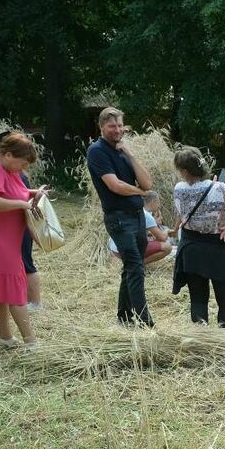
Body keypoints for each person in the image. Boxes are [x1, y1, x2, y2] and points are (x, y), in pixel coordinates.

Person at [0, 133, 48, 350]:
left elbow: (15, 191)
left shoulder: (3, 166)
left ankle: (5, 338)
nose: (22, 168)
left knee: (2, 285)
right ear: (9, 154)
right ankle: (31, 342)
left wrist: (34, 193)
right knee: (13, 283)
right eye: (22, 163)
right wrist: (24, 205)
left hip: (4, 233)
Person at [171, 148, 225, 327]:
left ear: (184, 171)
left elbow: (182, 213)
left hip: (191, 248)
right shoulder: (220, 188)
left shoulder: (178, 188)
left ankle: (201, 337)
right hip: (217, 247)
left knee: (198, 298)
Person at [87, 107, 154, 326]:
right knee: (135, 266)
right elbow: (115, 186)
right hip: (118, 218)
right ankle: (144, 322)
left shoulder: (122, 152)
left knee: (132, 267)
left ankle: (123, 318)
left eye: (119, 125)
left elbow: (147, 183)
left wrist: (131, 156)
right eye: (112, 126)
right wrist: (140, 193)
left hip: (137, 216)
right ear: (101, 126)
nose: (117, 130)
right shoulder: (97, 151)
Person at [109, 189, 171, 265]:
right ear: (152, 202)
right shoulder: (147, 216)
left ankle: (133, 263)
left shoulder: (135, 210)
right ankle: (137, 264)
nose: (159, 205)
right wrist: (167, 231)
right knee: (167, 247)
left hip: (114, 248)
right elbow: (162, 238)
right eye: (158, 202)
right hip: (125, 250)